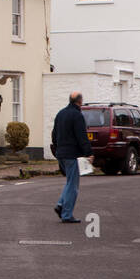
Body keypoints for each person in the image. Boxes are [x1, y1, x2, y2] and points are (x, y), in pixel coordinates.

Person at [51, 91, 93, 223]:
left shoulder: (60, 113)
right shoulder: (77, 115)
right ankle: (67, 214)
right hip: (72, 154)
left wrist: (57, 148)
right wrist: (89, 153)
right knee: (73, 185)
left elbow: (54, 134)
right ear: (80, 101)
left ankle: (60, 205)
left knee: (69, 182)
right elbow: (82, 136)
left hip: (61, 153)